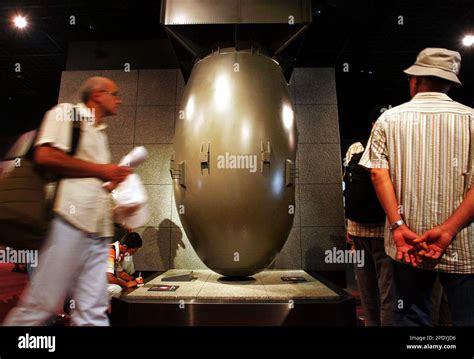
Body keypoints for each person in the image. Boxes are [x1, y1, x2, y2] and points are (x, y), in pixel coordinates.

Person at [3, 76, 131, 326]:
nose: (119, 100)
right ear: (97, 94)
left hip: (97, 232)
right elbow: (46, 155)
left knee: (93, 309)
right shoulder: (66, 114)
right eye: (114, 94)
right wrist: (102, 171)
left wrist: (109, 182)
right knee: (40, 305)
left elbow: (87, 175)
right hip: (69, 224)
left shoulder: (100, 134)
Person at [360, 48, 474, 326]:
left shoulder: (389, 119)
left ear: (414, 80)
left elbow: (377, 174)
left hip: (406, 247)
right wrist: (448, 230)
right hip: (464, 245)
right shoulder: (472, 118)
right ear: (450, 83)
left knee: (411, 316)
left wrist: (399, 227)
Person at [343, 105, 395, 326]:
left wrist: (348, 226)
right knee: (389, 292)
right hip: (386, 231)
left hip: (357, 229)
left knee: (366, 291)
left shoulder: (356, 148)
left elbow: (348, 186)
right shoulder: (394, 149)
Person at [107, 232, 144, 299]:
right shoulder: (110, 250)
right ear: (125, 247)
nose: (132, 254)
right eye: (132, 252)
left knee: (121, 285)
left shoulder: (120, 253)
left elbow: (120, 274)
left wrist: (134, 280)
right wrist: (126, 284)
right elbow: (109, 278)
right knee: (116, 289)